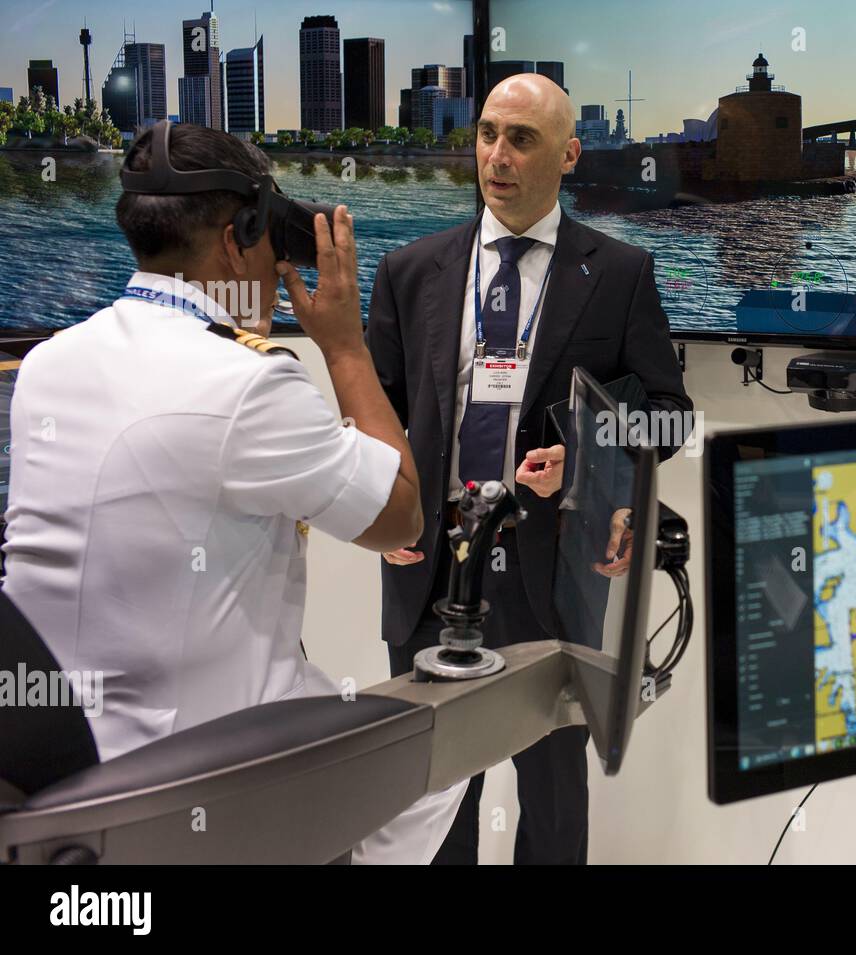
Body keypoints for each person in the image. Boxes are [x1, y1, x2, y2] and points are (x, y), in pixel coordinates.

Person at [0, 122, 466, 864]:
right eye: (271, 234)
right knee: (446, 751)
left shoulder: (49, 366)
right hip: (200, 766)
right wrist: (345, 345)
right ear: (237, 235)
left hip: (59, 761)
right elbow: (399, 514)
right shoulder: (247, 384)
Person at [366, 73, 692, 864]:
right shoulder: (411, 272)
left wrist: (584, 459)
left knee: (550, 806)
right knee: (433, 802)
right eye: (487, 134)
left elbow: (668, 413)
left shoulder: (618, 274)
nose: (497, 155)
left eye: (523, 139)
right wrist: (371, 512)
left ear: (569, 154)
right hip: (432, 568)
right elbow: (372, 417)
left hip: (551, 576)